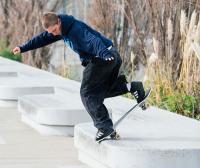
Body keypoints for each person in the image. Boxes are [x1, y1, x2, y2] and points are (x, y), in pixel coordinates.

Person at [13, 12, 146, 142]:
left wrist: (104, 53)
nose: (54, 34)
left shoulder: (75, 29)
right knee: (99, 92)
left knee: (87, 94)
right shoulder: (61, 29)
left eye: (54, 30)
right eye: (51, 32)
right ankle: (132, 87)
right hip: (111, 56)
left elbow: (92, 40)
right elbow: (42, 38)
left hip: (102, 57)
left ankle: (104, 127)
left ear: (58, 21)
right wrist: (23, 47)